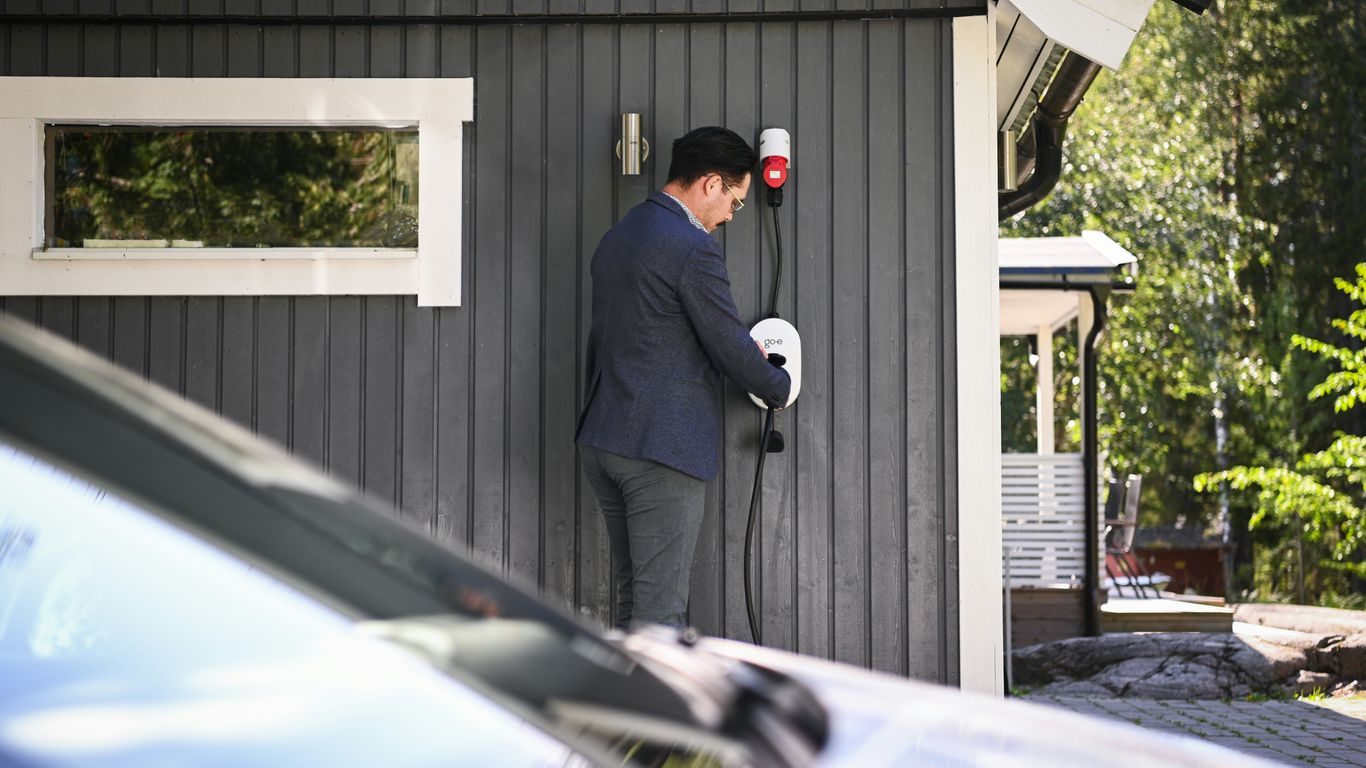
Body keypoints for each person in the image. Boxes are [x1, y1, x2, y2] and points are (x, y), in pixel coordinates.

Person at [575, 126, 791, 631]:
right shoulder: (691, 247)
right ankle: (649, 711)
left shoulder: (620, 235)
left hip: (604, 436)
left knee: (636, 603)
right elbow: (727, 343)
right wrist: (778, 386)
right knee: (660, 617)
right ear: (711, 184)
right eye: (735, 202)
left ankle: (625, 710)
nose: (730, 217)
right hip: (661, 448)